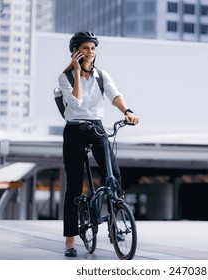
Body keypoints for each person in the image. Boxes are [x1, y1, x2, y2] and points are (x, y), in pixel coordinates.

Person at [58, 30, 139, 257]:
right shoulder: (64, 78)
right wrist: (75, 72)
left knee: (114, 175)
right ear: (75, 52)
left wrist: (127, 111)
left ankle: (114, 223)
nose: (90, 52)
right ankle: (70, 241)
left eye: (93, 48)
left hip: (96, 127)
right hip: (74, 130)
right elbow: (76, 102)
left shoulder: (102, 76)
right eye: (85, 48)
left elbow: (114, 95)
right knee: (74, 186)